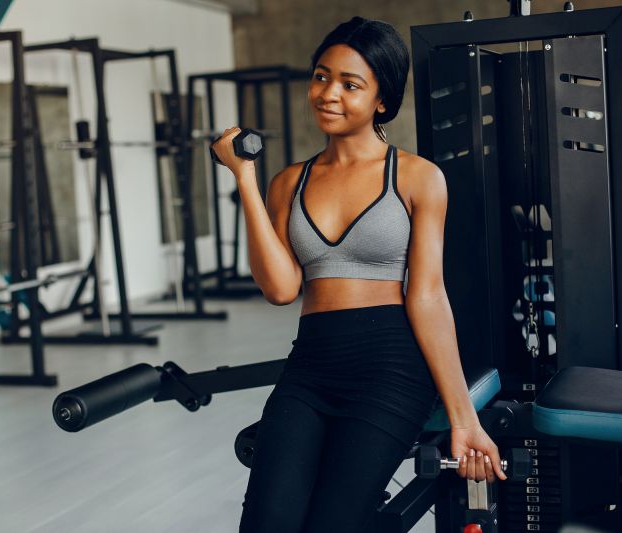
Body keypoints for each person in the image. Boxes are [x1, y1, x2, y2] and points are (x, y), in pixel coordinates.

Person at [211, 16, 507, 533]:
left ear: (382, 101)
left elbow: (429, 295)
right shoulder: (289, 182)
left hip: (389, 370)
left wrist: (465, 419)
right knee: (266, 522)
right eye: (322, 76)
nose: (329, 93)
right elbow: (281, 289)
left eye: (351, 84)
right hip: (311, 365)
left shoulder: (417, 178)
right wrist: (246, 181)